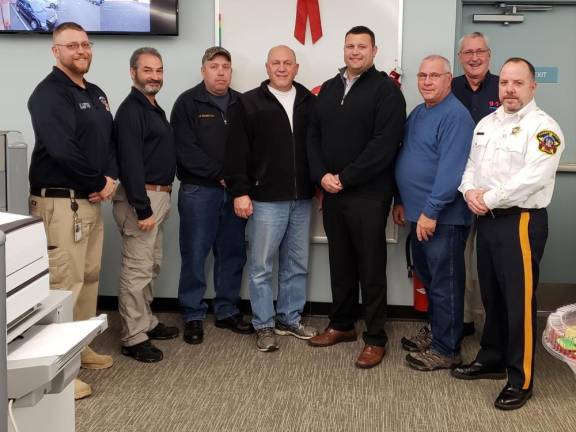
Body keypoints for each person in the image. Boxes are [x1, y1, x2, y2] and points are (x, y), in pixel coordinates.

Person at [453, 57, 564, 410]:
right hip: (487, 219)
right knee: (492, 295)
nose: (510, 89)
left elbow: (533, 177)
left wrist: (488, 197)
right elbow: (471, 165)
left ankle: (521, 378)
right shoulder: (487, 123)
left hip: (521, 221)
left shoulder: (545, 128)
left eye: (518, 83)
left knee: (518, 301)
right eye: (505, 83)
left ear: (533, 86)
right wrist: (469, 191)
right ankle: (492, 358)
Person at [307, 26, 406, 368]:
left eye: (362, 46)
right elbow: (313, 136)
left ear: (374, 51)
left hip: (369, 194)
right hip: (333, 194)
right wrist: (321, 176)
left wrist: (345, 178)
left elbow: (384, 145)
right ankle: (342, 324)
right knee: (341, 263)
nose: (355, 52)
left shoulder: (387, 91)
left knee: (371, 267)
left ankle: (375, 337)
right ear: (343, 49)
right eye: (350, 46)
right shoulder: (330, 89)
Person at [28, 22, 117, 400]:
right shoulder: (48, 95)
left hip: (89, 202)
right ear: (56, 51)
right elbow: (63, 150)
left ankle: (79, 347)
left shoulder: (95, 93)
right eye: (72, 45)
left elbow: (107, 141)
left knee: (89, 278)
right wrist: (99, 182)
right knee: (63, 285)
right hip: (60, 202)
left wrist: (108, 177)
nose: (81, 50)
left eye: (86, 44)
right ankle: (58, 373)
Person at [225, 45, 318, 352]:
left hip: (302, 197)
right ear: (266, 67)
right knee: (262, 265)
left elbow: (318, 148)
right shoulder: (248, 103)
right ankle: (263, 324)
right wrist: (240, 191)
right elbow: (235, 151)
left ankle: (289, 318)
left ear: (296, 67)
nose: (281, 68)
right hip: (264, 199)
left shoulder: (309, 101)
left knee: (297, 263)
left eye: (287, 63)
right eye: (275, 63)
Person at [393, 55, 474, 370]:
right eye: (422, 75)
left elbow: (450, 171)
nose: (426, 81)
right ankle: (439, 331)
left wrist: (430, 211)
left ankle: (447, 348)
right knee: (429, 279)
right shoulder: (419, 112)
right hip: (417, 213)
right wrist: (401, 200)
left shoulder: (456, 116)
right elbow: (407, 155)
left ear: (448, 79)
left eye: (434, 76)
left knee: (445, 283)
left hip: (443, 218)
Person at [171, 47, 253, 345]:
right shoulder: (187, 103)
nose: (221, 72)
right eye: (214, 66)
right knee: (194, 252)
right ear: (203, 70)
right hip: (199, 191)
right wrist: (222, 173)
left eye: (226, 66)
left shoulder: (242, 103)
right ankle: (193, 314)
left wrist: (236, 181)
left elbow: (251, 148)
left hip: (234, 194)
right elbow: (185, 149)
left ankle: (227, 310)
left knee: (232, 252)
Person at [112, 47, 179, 363]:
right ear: (133, 72)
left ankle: (146, 322)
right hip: (142, 199)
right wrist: (142, 208)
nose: (155, 76)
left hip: (158, 196)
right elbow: (130, 163)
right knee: (137, 269)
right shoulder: (130, 111)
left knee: (150, 263)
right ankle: (133, 337)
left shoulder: (153, 107)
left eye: (159, 70)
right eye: (147, 70)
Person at [452, 31, 501, 337]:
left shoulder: (503, 86)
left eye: (479, 51)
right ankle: (464, 319)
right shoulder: (450, 86)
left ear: (488, 54)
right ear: (460, 58)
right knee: (459, 258)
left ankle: (495, 324)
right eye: (468, 52)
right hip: (457, 189)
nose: (474, 57)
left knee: (494, 260)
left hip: (496, 193)